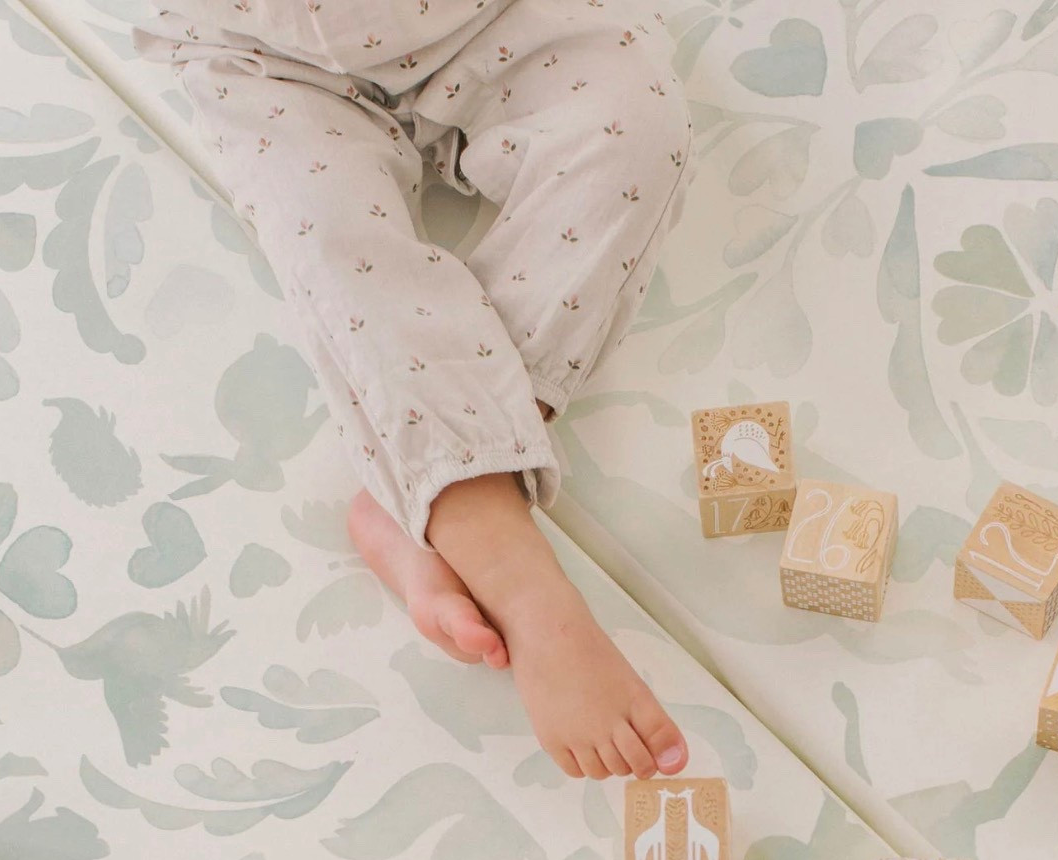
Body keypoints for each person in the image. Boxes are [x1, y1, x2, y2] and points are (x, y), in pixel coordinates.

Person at [134, 0, 694, 779]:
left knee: (633, 131)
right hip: (266, 55)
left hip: (494, 19)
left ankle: (437, 489)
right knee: (336, 249)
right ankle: (502, 559)